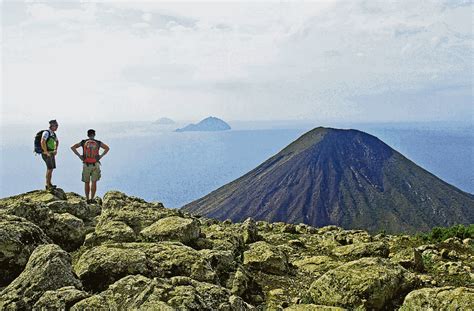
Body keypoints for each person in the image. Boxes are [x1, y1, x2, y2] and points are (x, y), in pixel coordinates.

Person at [71, 129, 110, 204]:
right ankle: (92, 198)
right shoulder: (98, 143)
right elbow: (107, 148)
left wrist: (80, 156)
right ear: (94, 134)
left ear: (87, 135)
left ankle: (87, 199)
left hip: (86, 165)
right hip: (96, 164)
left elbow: (73, 147)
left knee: (86, 182)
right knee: (94, 182)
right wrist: (101, 156)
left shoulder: (83, 142)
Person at [41, 120, 59, 190]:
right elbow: (43, 141)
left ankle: (49, 183)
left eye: (57, 125)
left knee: (51, 169)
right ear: (52, 126)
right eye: (56, 125)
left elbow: (57, 141)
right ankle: (48, 185)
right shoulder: (46, 132)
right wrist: (46, 151)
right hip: (47, 153)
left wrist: (55, 150)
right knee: (49, 169)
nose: (57, 127)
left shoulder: (53, 134)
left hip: (51, 153)